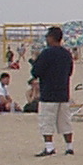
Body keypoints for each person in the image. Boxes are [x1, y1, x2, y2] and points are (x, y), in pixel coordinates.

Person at [30, 25, 76, 157]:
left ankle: (49, 147)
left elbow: (36, 72)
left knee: (46, 121)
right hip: (63, 93)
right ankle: (69, 147)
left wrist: (35, 63)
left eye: (47, 37)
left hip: (49, 93)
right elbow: (70, 72)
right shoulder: (66, 54)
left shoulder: (46, 53)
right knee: (65, 122)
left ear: (51, 38)